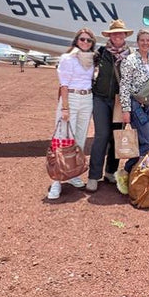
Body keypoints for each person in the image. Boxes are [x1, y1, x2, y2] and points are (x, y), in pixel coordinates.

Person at [47, 28, 96, 199]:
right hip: (72, 99)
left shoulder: (90, 59)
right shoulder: (68, 58)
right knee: (63, 139)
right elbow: (64, 85)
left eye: (89, 40)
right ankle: (56, 180)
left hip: (87, 99)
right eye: (82, 39)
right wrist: (65, 108)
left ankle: (73, 174)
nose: (85, 42)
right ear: (76, 41)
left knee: (80, 139)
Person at [86, 20, 133, 193]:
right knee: (101, 136)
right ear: (110, 36)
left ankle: (110, 171)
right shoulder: (100, 53)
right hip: (100, 98)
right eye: (114, 33)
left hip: (120, 100)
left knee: (116, 136)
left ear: (125, 35)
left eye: (121, 33)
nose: (117, 36)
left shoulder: (130, 55)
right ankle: (93, 175)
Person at [116, 29, 149, 194]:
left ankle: (133, 176)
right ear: (137, 42)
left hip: (148, 105)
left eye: (148, 40)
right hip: (135, 105)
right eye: (142, 40)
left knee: (142, 142)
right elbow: (124, 86)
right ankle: (125, 170)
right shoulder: (130, 60)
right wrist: (126, 110)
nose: (145, 43)